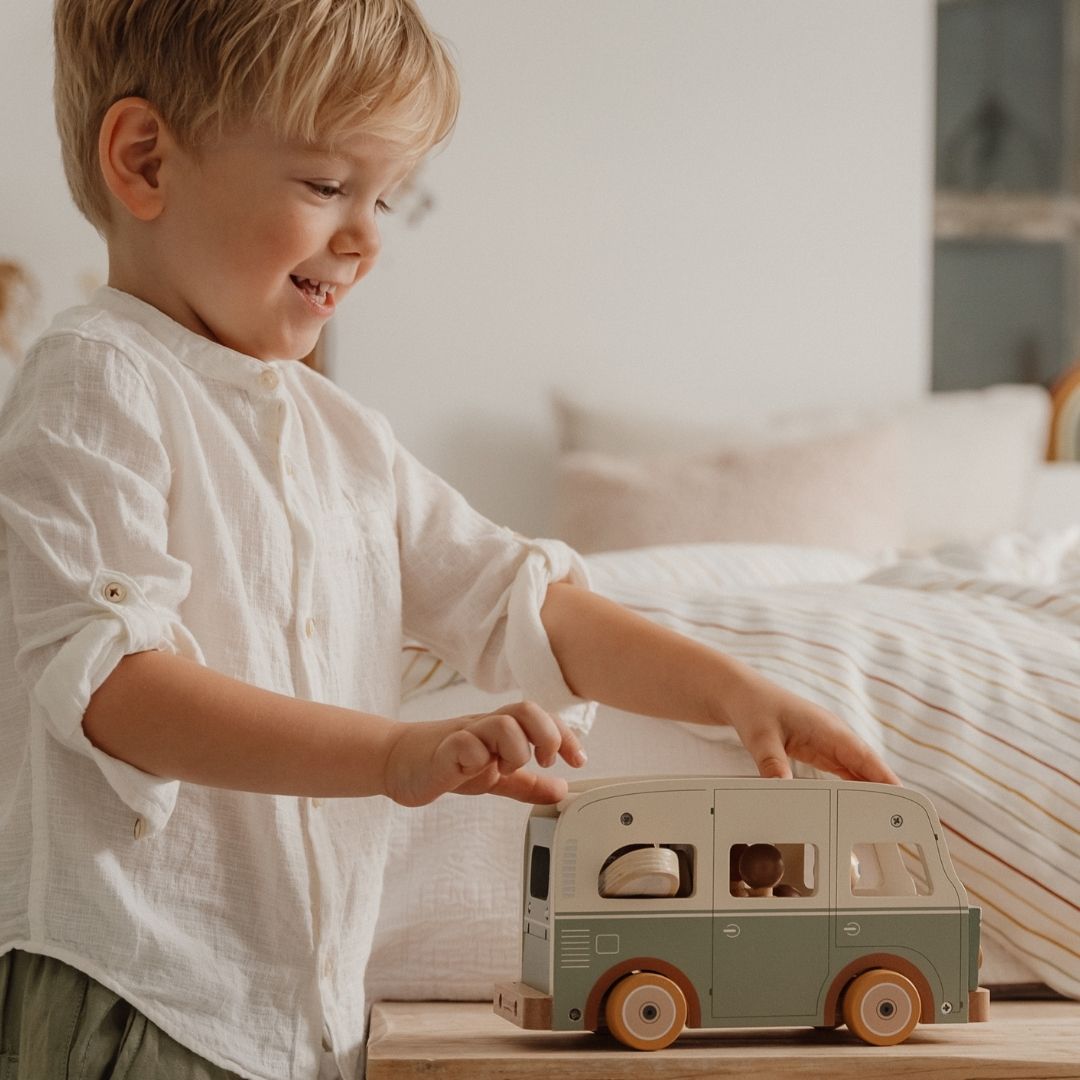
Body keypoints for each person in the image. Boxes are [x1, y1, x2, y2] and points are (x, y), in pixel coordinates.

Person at [0, 2, 899, 1077]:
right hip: (137, 992)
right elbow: (114, 688)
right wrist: (394, 754)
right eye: (327, 186)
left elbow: (517, 597)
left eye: (389, 198)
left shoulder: (344, 439)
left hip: (300, 1013)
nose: (366, 235)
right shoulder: (95, 379)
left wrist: (731, 690)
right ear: (145, 160)